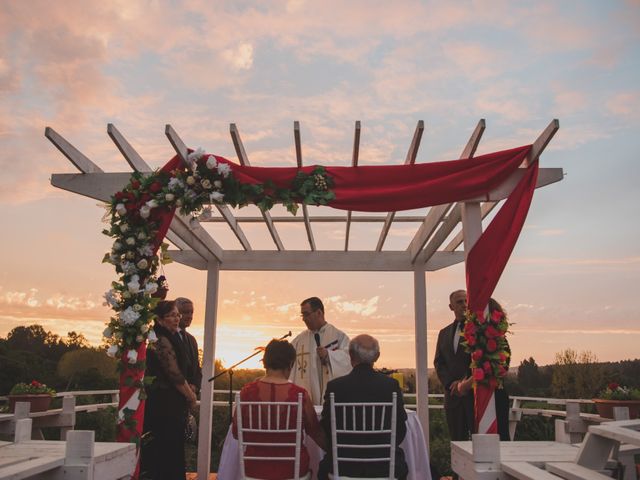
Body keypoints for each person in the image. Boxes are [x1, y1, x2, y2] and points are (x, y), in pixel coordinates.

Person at [318, 334, 409, 480]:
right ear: (377, 356)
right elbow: (400, 430)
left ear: (350, 355)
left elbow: (327, 428)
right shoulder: (390, 386)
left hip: (342, 466)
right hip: (385, 466)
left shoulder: (335, 387)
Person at [232, 339, 325, 480]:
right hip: (292, 469)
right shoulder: (300, 394)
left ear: (265, 362)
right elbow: (315, 432)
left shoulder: (246, 392)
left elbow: (236, 433)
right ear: (290, 364)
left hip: (255, 468)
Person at [141, 300, 197, 480]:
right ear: (159, 319)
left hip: (173, 402)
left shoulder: (173, 337)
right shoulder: (160, 339)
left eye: (177, 315)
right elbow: (174, 373)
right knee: (165, 449)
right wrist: (190, 396)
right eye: (172, 315)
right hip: (163, 402)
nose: (177, 318)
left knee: (174, 448)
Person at [289, 297, 351, 405]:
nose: (303, 319)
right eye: (302, 315)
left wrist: (329, 355)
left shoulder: (338, 336)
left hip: (330, 399)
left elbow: (349, 358)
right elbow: (286, 358)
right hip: (305, 399)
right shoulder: (299, 340)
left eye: (306, 314)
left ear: (319, 312)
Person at [434, 289, 474, 441]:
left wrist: (464, 382)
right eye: (459, 302)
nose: (464, 305)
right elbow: (439, 362)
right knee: (457, 442)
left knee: (479, 442)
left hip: (473, 395)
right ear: (451, 307)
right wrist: (451, 384)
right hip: (452, 397)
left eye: (466, 301)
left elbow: (480, 360)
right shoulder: (443, 333)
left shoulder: (479, 330)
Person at [175, 297, 202, 394]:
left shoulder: (192, 339)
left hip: (188, 397)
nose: (190, 316)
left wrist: (195, 387)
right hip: (172, 394)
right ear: (176, 314)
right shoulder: (168, 337)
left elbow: (197, 369)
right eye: (186, 312)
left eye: (191, 312)